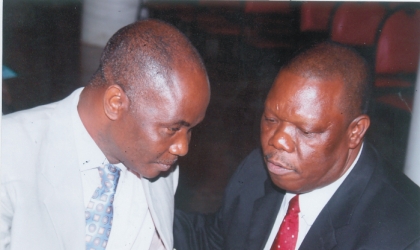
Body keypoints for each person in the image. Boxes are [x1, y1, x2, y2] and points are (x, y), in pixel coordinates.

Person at [174, 42, 420, 249]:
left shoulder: (405, 235)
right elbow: (218, 240)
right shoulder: (258, 169)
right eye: (271, 119)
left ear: (355, 132)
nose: (277, 140)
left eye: (305, 131)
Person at [1, 19, 210, 250]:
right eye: (173, 129)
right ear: (115, 103)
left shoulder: (159, 164)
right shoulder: (9, 153)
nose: (182, 147)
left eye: (190, 130)